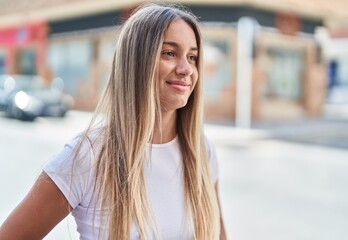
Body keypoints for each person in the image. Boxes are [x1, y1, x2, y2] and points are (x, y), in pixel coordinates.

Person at [0, 3, 227, 240]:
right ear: (137, 61)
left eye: (192, 57)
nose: (186, 69)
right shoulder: (87, 155)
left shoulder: (202, 151)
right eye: (169, 53)